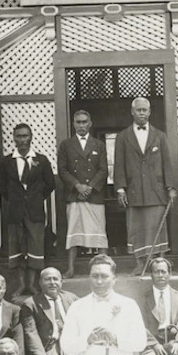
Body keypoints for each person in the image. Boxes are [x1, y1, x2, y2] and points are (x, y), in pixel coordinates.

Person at [113, 97, 178, 275]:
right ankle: (140, 264)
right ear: (132, 112)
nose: (142, 113)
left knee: (158, 227)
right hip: (134, 191)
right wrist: (120, 189)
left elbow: (167, 163)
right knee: (136, 229)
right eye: (138, 110)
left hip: (156, 192)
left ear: (149, 112)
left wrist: (171, 188)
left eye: (145, 110)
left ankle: (160, 265)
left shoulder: (160, 136)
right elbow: (119, 164)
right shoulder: (122, 137)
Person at [0, 123, 56, 296]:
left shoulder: (41, 160)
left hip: (35, 211)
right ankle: (21, 285)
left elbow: (50, 184)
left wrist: (34, 198)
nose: (22, 140)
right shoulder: (6, 162)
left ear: (31, 137)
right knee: (17, 246)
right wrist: (17, 200)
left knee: (35, 246)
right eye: (19, 136)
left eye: (25, 136)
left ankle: (31, 284)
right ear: (14, 139)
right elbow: (2, 187)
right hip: (15, 211)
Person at [58, 110, 109, 278]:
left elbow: (103, 169)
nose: (81, 125)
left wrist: (90, 187)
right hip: (74, 195)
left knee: (99, 232)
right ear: (73, 124)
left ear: (90, 123)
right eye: (78, 122)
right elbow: (62, 170)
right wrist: (77, 186)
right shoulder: (66, 145)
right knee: (73, 232)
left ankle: (104, 268)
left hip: (94, 196)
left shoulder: (98, 145)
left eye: (84, 122)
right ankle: (71, 269)